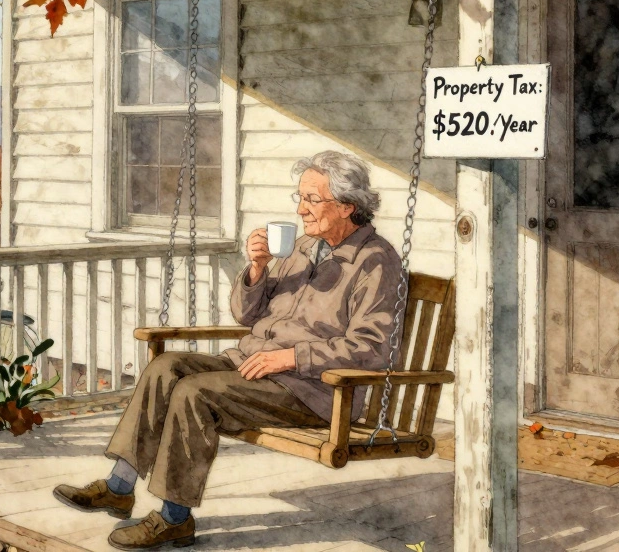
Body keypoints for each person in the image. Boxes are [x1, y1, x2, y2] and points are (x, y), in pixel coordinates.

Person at [53, 150, 404, 550]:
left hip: (315, 391)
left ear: (346, 206)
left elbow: (373, 348)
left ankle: (174, 518)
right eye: (300, 197)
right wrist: (256, 269)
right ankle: (120, 486)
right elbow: (246, 315)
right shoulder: (304, 247)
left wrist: (290, 357)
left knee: (195, 392)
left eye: (312, 199)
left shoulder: (375, 261)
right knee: (166, 367)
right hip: (253, 367)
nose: (301, 209)